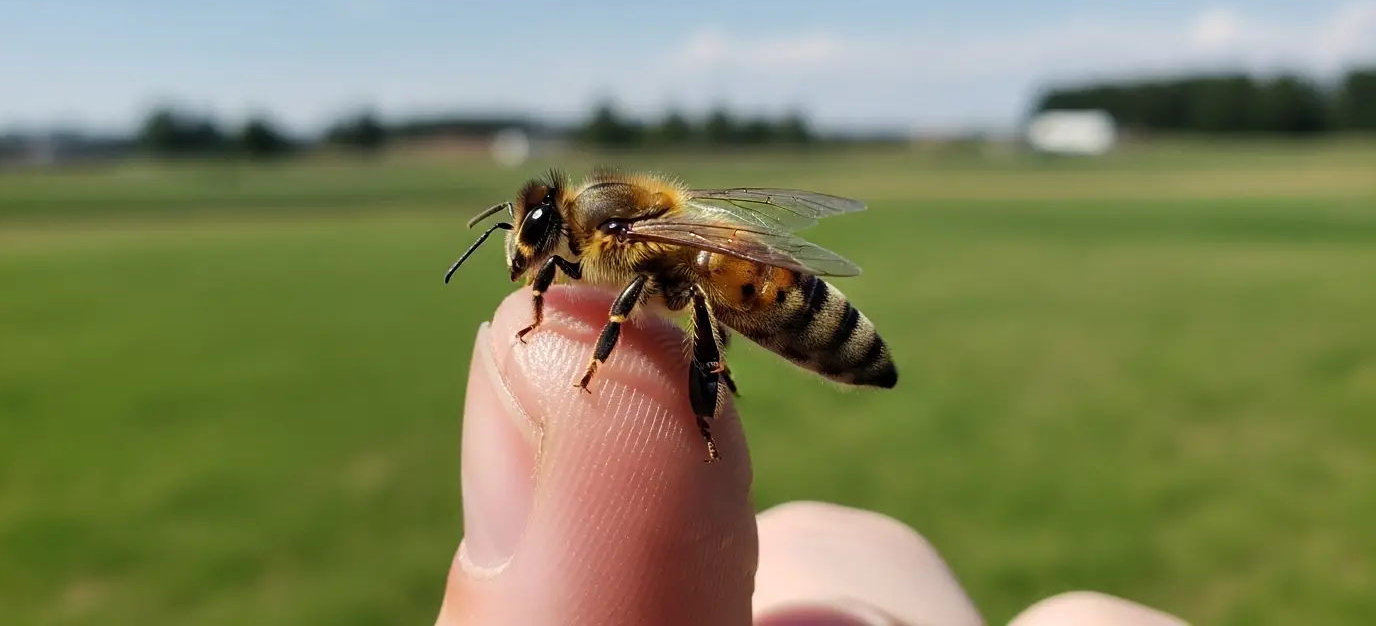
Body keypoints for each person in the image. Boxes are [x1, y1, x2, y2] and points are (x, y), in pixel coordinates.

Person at [435, 285, 1187, 625]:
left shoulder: (635, 249)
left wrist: (597, 368)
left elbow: (657, 294)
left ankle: (707, 388)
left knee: (693, 304)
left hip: (768, 292)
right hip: (753, 281)